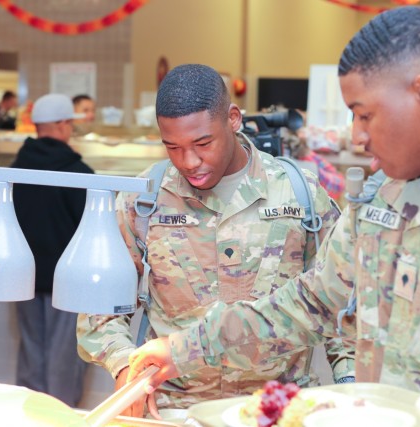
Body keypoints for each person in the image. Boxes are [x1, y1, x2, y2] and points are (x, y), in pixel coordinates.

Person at [127, 7, 420, 425]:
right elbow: (310, 304)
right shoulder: (382, 200)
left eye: (364, 114)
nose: (357, 135)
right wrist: (182, 349)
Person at [77, 64, 345, 418]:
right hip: (175, 412)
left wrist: (350, 384)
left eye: (203, 143)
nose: (189, 161)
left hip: (274, 410)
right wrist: (125, 365)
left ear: (232, 118)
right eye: (173, 147)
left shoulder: (300, 195)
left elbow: (341, 307)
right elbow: (98, 309)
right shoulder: (144, 200)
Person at [11, 93, 92, 406]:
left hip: (26, 277)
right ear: (62, 124)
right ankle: (61, 416)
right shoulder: (77, 170)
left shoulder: (18, 165)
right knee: (64, 357)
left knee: (32, 350)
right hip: (66, 279)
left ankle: (28, 415)